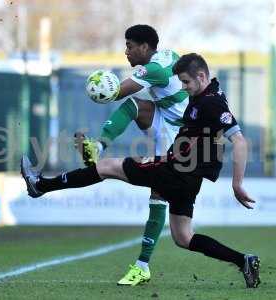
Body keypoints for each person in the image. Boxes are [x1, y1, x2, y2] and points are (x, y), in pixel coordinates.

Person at [21, 53, 261, 288]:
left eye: (186, 82)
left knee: (105, 166)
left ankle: (41, 185)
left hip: (175, 170)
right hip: (188, 178)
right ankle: (244, 261)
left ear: (201, 76)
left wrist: (237, 184)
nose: (184, 87)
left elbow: (239, 141)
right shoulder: (210, 92)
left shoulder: (212, 102)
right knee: (183, 237)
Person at [75, 24, 189, 285]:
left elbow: (117, 92)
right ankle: (99, 146)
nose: (125, 52)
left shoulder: (153, 69)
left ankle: (142, 265)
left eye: (129, 46)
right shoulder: (166, 57)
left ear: (144, 47)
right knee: (135, 106)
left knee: (162, 201)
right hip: (166, 119)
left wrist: (100, 87)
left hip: (179, 136)